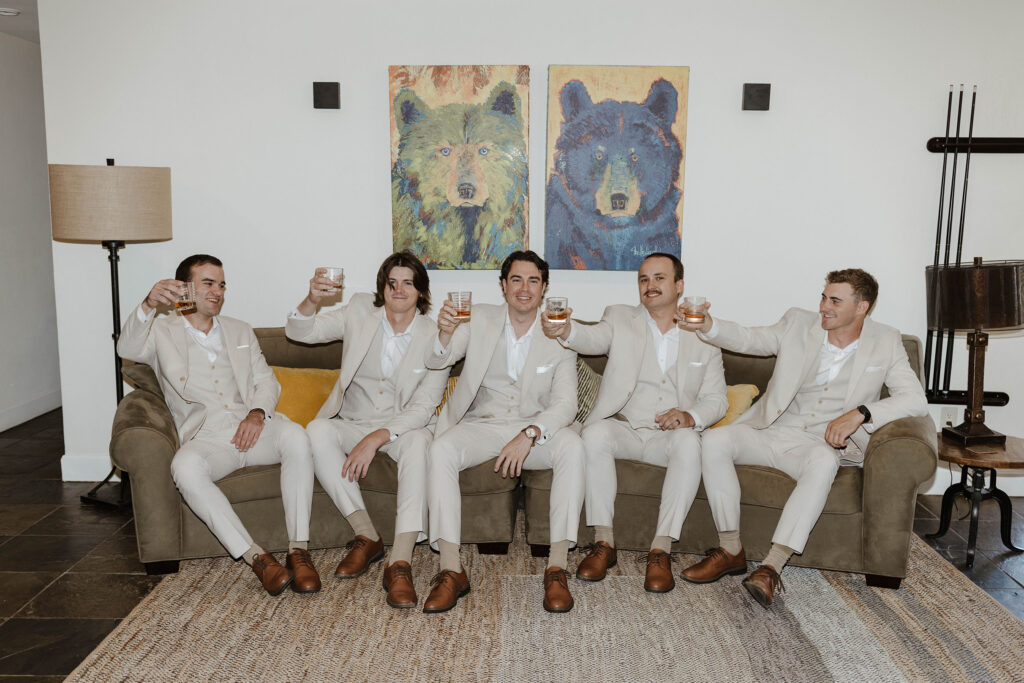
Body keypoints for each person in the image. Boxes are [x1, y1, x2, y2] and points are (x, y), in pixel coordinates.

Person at [679, 268, 928, 607]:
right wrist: (709, 325)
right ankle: (730, 548)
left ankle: (771, 566)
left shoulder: (886, 340)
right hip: (772, 431)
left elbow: (915, 400)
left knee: (825, 461)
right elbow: (750, 339)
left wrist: (862, 413)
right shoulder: (798, 323)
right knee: (713, 440)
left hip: (818, 445)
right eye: (824, 297)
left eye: (835, 300)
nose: (824, 306)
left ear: (861, 308)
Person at [117, 254, 319, 596]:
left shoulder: (240, 330)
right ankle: (258, 558)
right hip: (208, 437)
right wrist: (149, 303)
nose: (218, 291)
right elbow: (127, 346)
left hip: (254, 428)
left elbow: (266, 382)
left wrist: (257, 414)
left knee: (297, 437)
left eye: (222, 284)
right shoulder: (160, 332)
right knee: (183, 465)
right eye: (208, 283)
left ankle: (298, 550)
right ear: (185, 288)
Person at [541, 252, 728, 592]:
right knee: (594, 434)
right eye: (644, 279)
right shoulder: (619, 317)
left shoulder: (703, 334)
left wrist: (690, 416)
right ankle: (604, 543)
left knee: (690, 442)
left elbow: (717, 400)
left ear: (679, 285)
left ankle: (661, 550)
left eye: (659, 278)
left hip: (668, 437)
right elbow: (592, 339)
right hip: (624, 425)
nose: (650, 286)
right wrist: (565, 329)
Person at [422, 251, 585, 613]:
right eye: (516, 280)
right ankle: (450, 568)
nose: (524, 289)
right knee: (441, 450)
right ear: (502, 285)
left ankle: (557, 567)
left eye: (533, 281)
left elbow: (566, 405)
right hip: (484, 424)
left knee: (573, 445)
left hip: (533, 429)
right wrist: (444, 332)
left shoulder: (560, 333)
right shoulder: (477, 318)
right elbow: (437, 360)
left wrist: (530, 433)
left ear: (544, 289)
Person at [285, 252, 449, 609]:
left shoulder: (437, 335)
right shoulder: (359, 311)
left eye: (408, 282)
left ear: (421, 291)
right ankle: (366, 534)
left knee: (421, 441)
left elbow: (423, 409)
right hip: (352, 421)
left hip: (403, 427)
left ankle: (400, 561)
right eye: (392, 283)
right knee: (317, 429)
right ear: (383, 288)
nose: (399, 290)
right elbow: (302, 332)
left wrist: (376, 439)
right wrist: (312, 299)